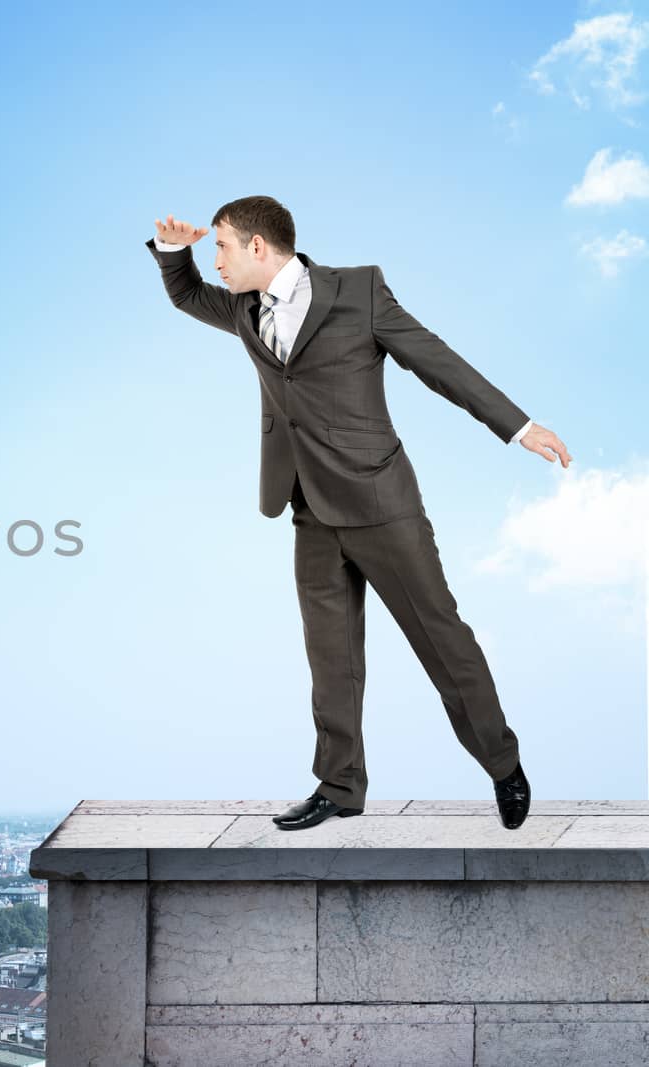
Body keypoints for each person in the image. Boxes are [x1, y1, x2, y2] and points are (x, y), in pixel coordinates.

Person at [147, 195, 570, 831]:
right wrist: (175, 250)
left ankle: (503, 765)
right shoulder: (242, 308)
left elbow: (437, 361)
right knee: (331, 657)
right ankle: (339, 786)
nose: (219, 261)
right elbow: (185, 296)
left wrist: (517, 426)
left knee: (440, 637)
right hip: (308, 506)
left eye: (222, 247)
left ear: (258, 247)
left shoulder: (359, 292)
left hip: (380, 501)